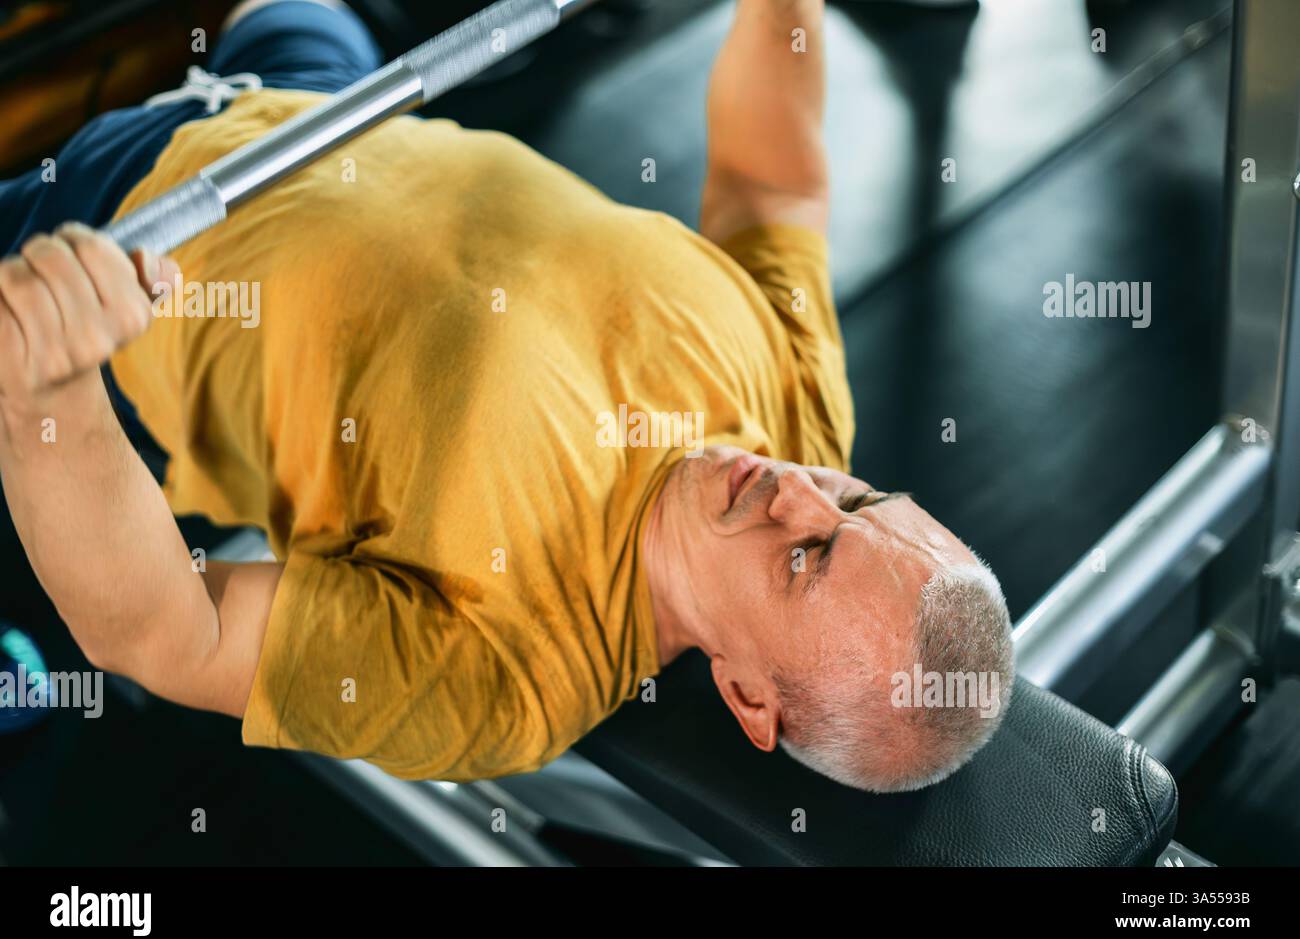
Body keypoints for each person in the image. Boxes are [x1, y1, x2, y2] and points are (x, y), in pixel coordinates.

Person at [0, 0, 1012, 792]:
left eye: (805, 556)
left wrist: (54, 386)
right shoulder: (799, 406)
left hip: (107, 248)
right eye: (858, 497)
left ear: (748, 694)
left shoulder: (511, 677)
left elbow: (172, 635)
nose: (795, 486)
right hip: (328, 107)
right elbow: (771, 187)